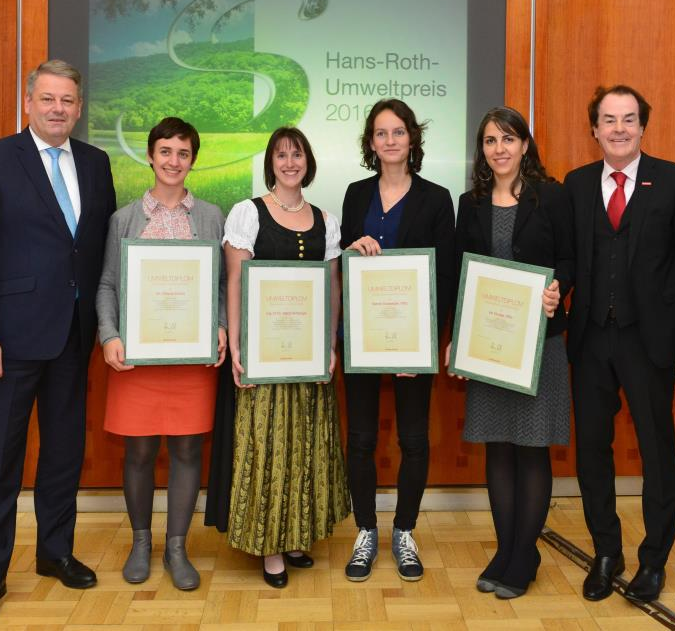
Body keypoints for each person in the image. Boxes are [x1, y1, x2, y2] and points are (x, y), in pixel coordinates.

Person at [0, 59, 116, 625]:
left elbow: (97, 252)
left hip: (73, 336)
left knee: (64, 453)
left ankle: (55, 552)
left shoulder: (96, 163)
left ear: (79, 107)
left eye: (68, 100)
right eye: (48, 99)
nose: (58, 108)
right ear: (28, 102)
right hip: (9, 341)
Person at [562, 85, 675, 604]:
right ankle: (606, 551)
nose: (619, 129)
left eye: (628, 119)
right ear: (594, 129)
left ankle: (654, 559)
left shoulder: (673, 181)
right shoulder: (575, 184)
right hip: (592, 339)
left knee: (658, 451)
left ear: (643, 126)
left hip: (651, 342)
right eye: (608, 120)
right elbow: (571, 258)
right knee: (593, 449)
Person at [94, 117, 227, 590]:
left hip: (191, 359)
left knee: (189, 449)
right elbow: (108, 283)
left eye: (183, 153)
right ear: (150, 156)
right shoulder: (124, 219)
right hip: (137, 359)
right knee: (139, 451)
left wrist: (221, 326)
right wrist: (110, 334)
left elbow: (221, 286)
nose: (174, 161)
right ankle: (140, 542)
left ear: (193, 160)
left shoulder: (211, 216)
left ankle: (176, 547)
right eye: (165, 151)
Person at [221, 126, 351, 588]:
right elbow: (234, 281)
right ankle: (269, 546)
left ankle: (297, 535)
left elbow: (332, 286)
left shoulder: (324, 218)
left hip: (309, 355)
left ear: (308, 161)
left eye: (297, 154)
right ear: (271, 162)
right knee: (267, 445)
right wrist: (237, 346)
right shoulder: (249, 213)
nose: (290, 162)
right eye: (282, 155)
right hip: (264, 355)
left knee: (306, 446)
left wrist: (331, 345)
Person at [451, 106, 572, 600]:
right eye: (489, 141)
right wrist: (458, 334)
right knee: (498, 446)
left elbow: (570, 256)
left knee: (531, 446)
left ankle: (525, 554)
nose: (498, 149)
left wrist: (558, 288)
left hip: (540, 344)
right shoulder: (471, 201)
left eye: (508, 139)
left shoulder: (553, 196)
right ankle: (506, 549)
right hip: (487, 346)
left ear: (525, 145)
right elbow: (462, 271)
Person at [338, 99, 457, 583]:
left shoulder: (436, 197)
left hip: (414, 341)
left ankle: (404, 531)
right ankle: (365, 530)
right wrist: (352, 248)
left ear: (413, 139)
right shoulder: (354, 194)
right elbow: (342, 262)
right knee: (362, 438)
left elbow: (445, 275)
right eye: (381, 133)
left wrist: (426, 344)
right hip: (361, 338)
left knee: (413, 438)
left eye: (399, 132)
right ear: (371, 143)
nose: (390, 141)